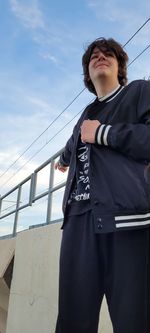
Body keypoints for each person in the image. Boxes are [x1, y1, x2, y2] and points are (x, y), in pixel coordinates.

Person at [55, 37, 150, 333]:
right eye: (94, 55)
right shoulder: (85, 115)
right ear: (87, 73)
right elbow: (75, 141)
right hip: (78, 224)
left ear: (120, 65)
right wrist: (64, 158)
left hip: (127, 221)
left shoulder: (139, 92)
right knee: (72, 320)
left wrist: (104, 133)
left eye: (109, 53)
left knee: (134, 320)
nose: (100, 56)